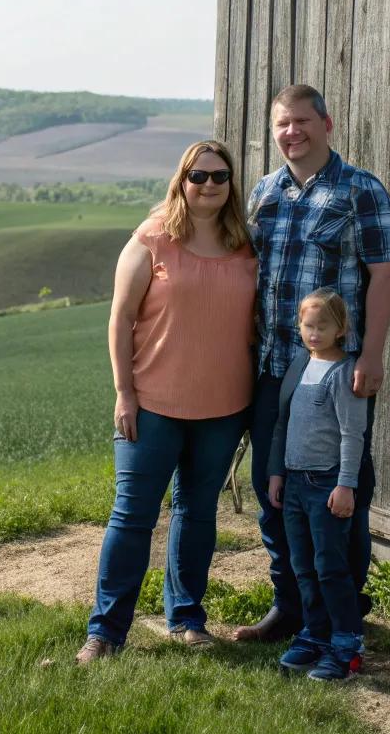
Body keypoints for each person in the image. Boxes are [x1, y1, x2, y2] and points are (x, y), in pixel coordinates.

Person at [236, 84, 390, 646]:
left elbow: (384, 274)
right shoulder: (265, 194)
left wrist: (373, 355)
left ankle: (344, 608)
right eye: (283, 124)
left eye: (303, 122)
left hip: (335, 373)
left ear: (326, 124)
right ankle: (290, 605)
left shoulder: (360, 190)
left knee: (342, 488)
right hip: (273, 368)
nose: (292, 132)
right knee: (274, 488)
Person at [75, 140, 258, 662]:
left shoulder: (245, 243)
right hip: (151, 405)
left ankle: (185, 619)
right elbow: (120, 318)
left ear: (231, 185)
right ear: (181, 180)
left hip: (223, 408)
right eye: (198, 176)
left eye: (220, 177)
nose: (209, 186)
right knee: (132, 516)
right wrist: (124, 393)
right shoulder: (152, 238)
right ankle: (105, 634)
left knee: (197, 513)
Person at [268, 290, 367, 681]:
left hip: (327, 484)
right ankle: (315, 633)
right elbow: (282, 424)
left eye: (322, 326)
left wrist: (345, 485)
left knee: (330, 567)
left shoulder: (344, 373)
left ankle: (346, 644)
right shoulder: (298, 366)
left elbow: (352, 434)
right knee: (303, 566)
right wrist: (278, 473)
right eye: (308, 326)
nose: (314, 333)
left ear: (341, 328)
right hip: (294, 483)